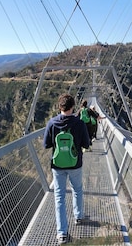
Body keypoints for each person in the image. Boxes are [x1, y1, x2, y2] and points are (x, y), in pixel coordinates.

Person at [43, 93, 90, 245]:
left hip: (58, 166)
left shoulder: (52, 123)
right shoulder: (80, 123)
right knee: (77, 190)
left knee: (59, 197)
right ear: (73, 107)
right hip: (75, 164)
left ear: (60, 106)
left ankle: (62, 233)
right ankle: (78, 216)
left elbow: (46, 145)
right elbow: (86, 144)